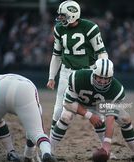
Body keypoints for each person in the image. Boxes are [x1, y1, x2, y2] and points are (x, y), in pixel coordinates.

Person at [51, 58, 134, 162]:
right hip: (78, 103)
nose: (102, 82)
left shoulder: (116, 90)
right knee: (66, 116)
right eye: (99, 78)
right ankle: (49, 151)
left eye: (106, 79)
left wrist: (107, 145)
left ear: (111, 78)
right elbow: (67, 104)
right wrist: (89, 115)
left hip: (99, 105)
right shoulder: (79, 77)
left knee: (125, 118)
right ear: (93, 74)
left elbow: (110, 118)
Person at [46, 0, 109, 138]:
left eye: (63, 15)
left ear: (72, 14)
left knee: (98, 111)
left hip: (88, 72)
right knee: (58, 110)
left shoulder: (90, 27)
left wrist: (101, 71)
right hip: (66, 72)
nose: (60, 18)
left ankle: (105, 146)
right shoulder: (59, 29)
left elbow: (101, 52)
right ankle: (49, 146)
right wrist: (51, 77)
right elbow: (56, 55)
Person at [0, 73, 57, 162]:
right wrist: (28, 155)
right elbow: (31, 132)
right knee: (37, 132)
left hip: (1, 87)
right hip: (25, 89)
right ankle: (46, 153)